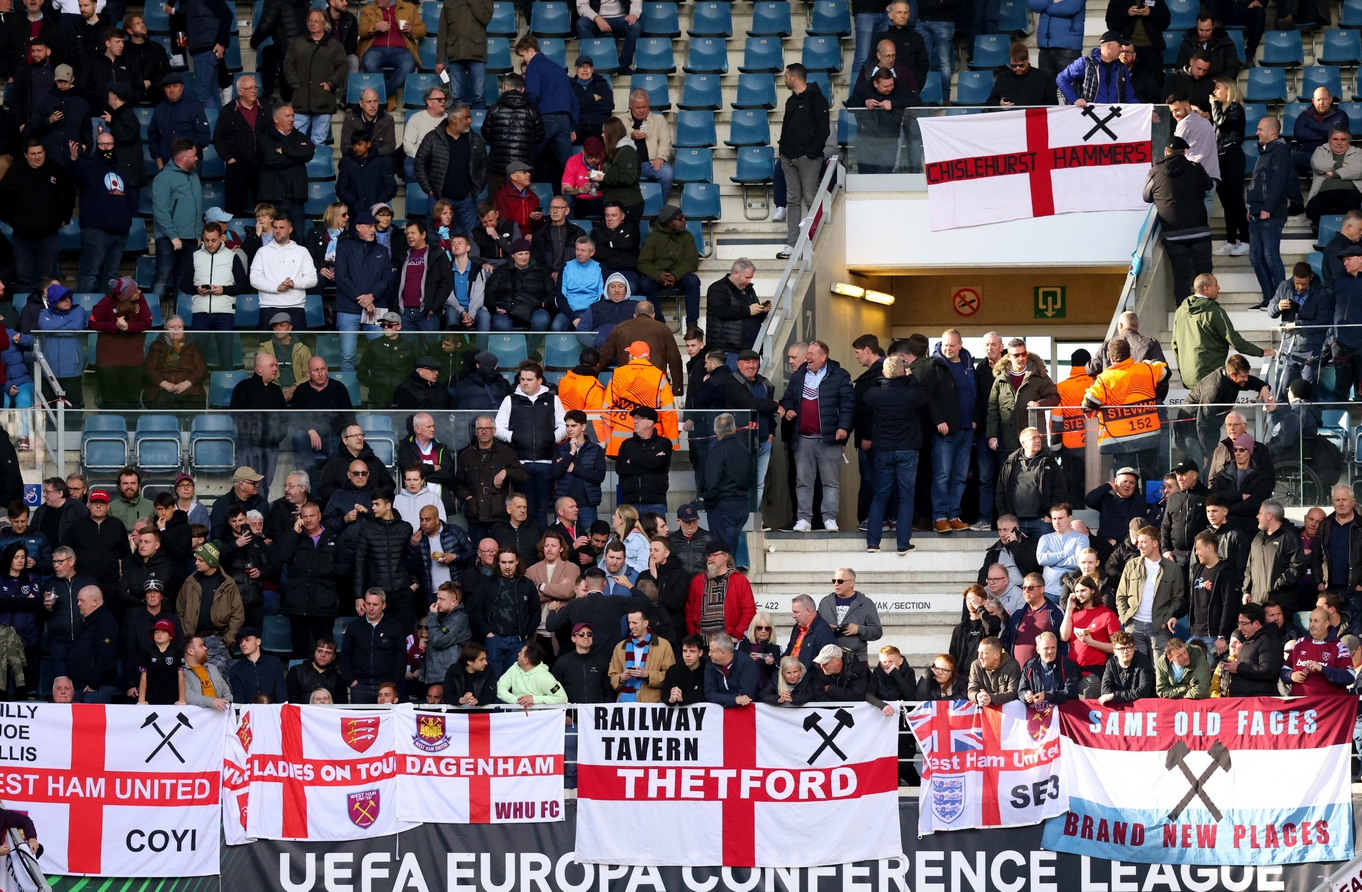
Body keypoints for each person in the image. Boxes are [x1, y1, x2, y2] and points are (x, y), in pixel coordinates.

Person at [779, 340, 854, 533]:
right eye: (807, 354)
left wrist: (844, 427)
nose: (808, 357)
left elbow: (848, 404)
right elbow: (788, 397)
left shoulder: (839, 375)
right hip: (803, 438)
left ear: (824, 357)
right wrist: (787, 409)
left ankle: (829, 519)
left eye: (812, 354)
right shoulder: (798, 376)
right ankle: (804, 519)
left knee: (830, 482)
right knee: (803, 482)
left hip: (829, 438)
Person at [1144, 134, 1213, 308]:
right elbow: (1209, 186)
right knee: (1204, 274)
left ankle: (1184, 316)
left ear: (1166, 151)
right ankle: (1207, 312)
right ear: (1183, 152)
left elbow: (1146, 197)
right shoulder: (1195, 168)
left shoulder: (1155, 171)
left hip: (1173, 235)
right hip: (1199, 231)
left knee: (1181, 277)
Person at [1171, 274, 1274, 388]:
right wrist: (1261, 352)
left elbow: (1175, 345)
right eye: (1216, 284)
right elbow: (1235, 340)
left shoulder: (1180, 311)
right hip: (1210, 376)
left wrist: (1182, 372)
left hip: (1188, 376)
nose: (1219, 288)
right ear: (1206, 288)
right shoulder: (1214, 311)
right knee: (1214, 406)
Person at [776, 65, 829, 261]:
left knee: (811, 199)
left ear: (794, 78)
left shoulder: (817, 99)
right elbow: (785, 127)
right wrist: (783, 151)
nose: (784, 79)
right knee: (792, 200)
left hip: (807, 159)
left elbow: (823, 131)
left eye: (786, 76)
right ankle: (792, 244)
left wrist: (811, 154)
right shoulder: (791, 101)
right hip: (788, 158)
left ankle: (816, 241)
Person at [1245, 116, 1294, 309]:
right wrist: (1251, 207)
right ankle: (1269, 299)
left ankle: (1280, 300)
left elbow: (1279, 181)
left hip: (1270, 213)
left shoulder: (1280, 151)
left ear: (1272, 131)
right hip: (1257, 212)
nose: (1257, 132)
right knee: (1255, 257)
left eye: (1260, 129)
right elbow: (1257, 182)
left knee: (1271, 255)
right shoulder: (1264, 152)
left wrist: (1268, 207)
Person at [175, 542, 245, 676]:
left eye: (200, 560)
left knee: (219, 680)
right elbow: (180, 611)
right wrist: (186, 636)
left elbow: (238, 615)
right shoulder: (190, 581)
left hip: (218, 640)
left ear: (211, 561)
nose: (196, 563)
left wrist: (227, 639)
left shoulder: (227, 583)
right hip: (192, 639)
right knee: (191, 680)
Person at [1115, 525, 1182, 658]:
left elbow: (1177, 598)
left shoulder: (1172, 568)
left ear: (1155, 543)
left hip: (1159, 627)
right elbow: (1121, 595)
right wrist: (1125, 618)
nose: (1139, 546)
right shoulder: (1131, 565)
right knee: (1138, 670)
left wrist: (1165, 619)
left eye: (1143, 542)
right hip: (1134, 625)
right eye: (1138, 542)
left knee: (1160, 670)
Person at [284, 10, 348, 145]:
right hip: (301, 100)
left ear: (324, 24)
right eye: (310, 21)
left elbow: (343, 66)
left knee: (319, 142)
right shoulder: (298, 43)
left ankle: (315, 167)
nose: (312, 24)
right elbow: (288, 64)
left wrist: (331, 83)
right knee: (295, 141)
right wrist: (295, 84)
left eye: (316, 21)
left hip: (323, 100)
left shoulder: (334, 45)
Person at [515, 35, 576, 172]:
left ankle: (521, 193)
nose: (522, 59)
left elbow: (533, 94)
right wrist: (573, 125)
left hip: (544, 119)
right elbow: (573, 100)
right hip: (564, 120)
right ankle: (578, 192)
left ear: (531, 51)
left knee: (527, 165)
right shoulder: (559, 69)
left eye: (522, 55)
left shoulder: (533, 67)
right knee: (569, 169)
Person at [250, 213, 318, 331]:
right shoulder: (262, 252)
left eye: (281, 228)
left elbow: (312, 279)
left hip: (295, 307)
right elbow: (254, 279)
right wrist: (277, 287)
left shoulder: (302, 252)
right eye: (275, 227)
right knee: (266, 349)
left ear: (290, 229)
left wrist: (294, 283)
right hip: (268, 307)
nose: (277, 231)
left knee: (298, 349)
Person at [996, 427, 1066, 540]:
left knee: (1044, 556)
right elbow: (1001, 492)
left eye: (1038, 436)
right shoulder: (1010, 463)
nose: (1038, 440)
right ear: (1023, 443)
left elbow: (1060, 490)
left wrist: (1049, 515)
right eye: (1033, 438)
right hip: (1016, 522)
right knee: (1017, 555)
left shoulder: (1049, 462)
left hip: (1042, 522)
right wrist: (1005, 516)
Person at [482, 74, 544, 196]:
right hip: (522, 168)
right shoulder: (532, 110)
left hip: (497, 168)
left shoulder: (495, 108)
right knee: (520, 208)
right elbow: (539, 136)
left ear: (505, 87)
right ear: (523, 89)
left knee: (496, 207)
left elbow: (486, 134)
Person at [339, 588, 404, 703]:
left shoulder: (394, 626)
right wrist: (350, 681)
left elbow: (401, 656)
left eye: (375, 604)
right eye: (368, 604)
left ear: (383, 605)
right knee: (359, 721)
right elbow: (345, 655)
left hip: (386, 686)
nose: (371, 608)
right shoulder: (354, 627)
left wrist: (393, 682)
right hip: (360, 686)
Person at [256, 105, 315, 230]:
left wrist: (284, 151)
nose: (292, 119)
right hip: (273, 198)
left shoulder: (299, 136)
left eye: (293, 115)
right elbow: (272, 160)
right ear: (276, 119)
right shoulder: (265, 137)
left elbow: (308, 152)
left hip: (296, 199)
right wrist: (297, 157)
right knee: (272, 237)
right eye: (288, 116)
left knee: (298, 237)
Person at [1242, 499, 1304, 614]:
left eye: (1260, 513)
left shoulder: (1289, 538)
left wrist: (1277, 584)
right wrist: (1246, 590)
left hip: (1280, 604)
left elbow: (1298, 566)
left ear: (1269, 515)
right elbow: (1249, 567)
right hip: (1257, 604)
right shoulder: (1257, 538)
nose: (1257, 516)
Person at [684, 541, 756, 639]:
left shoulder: (739, 580)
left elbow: (749, 610)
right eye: (709, 556)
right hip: (701, 641)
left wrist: (737, 634)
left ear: (726, 556)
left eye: (714, 555)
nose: (710, 559)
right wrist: (693, 634)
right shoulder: (697, 580)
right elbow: (689, 609)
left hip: (728, 641)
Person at [1282, 607, 1353, 695]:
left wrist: (1323, 669)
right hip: (1301, 705)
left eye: (1316, 621)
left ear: (1326, 623)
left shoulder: (1339, 646)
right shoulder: (1299, 643)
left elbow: (1349, 676)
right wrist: (1291, 675)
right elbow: (1285, 669)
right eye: (1310, 620)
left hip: (1329, 706)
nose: (1312, 624)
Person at [608, 609, 674, 701]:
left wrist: (648, 675)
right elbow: (612, 676)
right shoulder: (620, 647)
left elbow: (671, 676)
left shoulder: (663, 645)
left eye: (635, 623)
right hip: (624, 705)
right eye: (629, 622)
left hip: (651, 704)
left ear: (645, 623)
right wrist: (622, 677)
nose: (631, 626)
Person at [1056, 31, 1136, 106]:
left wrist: (1142, 110)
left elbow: (1129, 96)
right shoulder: (1085, 62)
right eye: (1119, 46)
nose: (1122, 49)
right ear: (1109, 46)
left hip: (1115, 116)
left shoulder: (1122, 67)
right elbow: (1061, 78)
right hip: (1088, 115)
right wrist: (1075, 100)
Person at [1220, 602, 1283, 695]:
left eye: (1243, 623)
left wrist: (1239, 667)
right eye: (1239, 623)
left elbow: (1268, 670)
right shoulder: (1248, 640)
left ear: (1256, 623)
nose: (1240, 628)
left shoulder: (1269, 640)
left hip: (1259, 701)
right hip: (1244, 700)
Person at [497, 641, 568, 705]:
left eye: (521, 653)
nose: (518, 654)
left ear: (526, 660)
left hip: (538, 718)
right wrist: (517, 700)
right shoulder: (515, 668)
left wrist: (534, 699)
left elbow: (562, 698)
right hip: (516, 717)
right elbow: (500, 687)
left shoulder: (545, 678)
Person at [987, 42, 1055, 107]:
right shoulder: (1002, 79)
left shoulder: (1043, 78)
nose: (1017, 68)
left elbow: (1052, 102)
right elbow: (991, 101)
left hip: (1034, 117)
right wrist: (1000, 104)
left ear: (1028, 60)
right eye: (1014, 66)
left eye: (1021, 65)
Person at [704, 632, 758, 706]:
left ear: (723, 653)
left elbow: (746, 696)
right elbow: (710, 694)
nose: (709, 654)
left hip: (744, 712)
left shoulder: (747, 664)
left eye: (712, 651)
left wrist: (723, 699)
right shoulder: (710, 665)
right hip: (719, 714)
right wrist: (734, 699)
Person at [1098, 630, 1153, 702]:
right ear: (1115, 651)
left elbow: (1143, 691)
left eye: (1129, 648)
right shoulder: (1111, 663)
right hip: (1120, 710)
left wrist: (1115, 696)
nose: (1125, 652)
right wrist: (1116, 696)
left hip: (1143, 707)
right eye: (1121, 649)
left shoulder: (1144, 661)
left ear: (1134, 649)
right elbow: (1105, 691)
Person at [286, 637, 345, 702]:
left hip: (327, 712)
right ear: (314, 652)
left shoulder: (338, 678)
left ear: (334, 657)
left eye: (328, 653)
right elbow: (290, 698)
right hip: (301, 711)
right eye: (320, 651)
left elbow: (341, 705)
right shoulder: (296, 671)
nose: (323, 655)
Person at [182, 636, 232, 710]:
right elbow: (188, 696)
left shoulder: (212, 668)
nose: (205, 648)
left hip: (220, 714)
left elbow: (226, 691)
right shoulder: (182, 671)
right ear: (190, 651)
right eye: (201, 646)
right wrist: (212, 702)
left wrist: (226, 706)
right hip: (197, 717)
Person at [967, 636, 1020, 706]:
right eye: (979, 652)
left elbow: (1013, 693)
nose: (979, 657)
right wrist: (977, 696)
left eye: (983, 653)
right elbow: (971, 690)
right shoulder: (975, 665)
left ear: (997, 655)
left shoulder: (1012, 665)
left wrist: (991, 698)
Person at [662, 634, 707, 704]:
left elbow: (705, 695)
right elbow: (665, 694)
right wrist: (670, 699)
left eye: (692, 651)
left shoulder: (707, 669)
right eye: (685, 651)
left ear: (700, 653)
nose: (687, 655)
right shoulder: (673, 670)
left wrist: (683, 698)